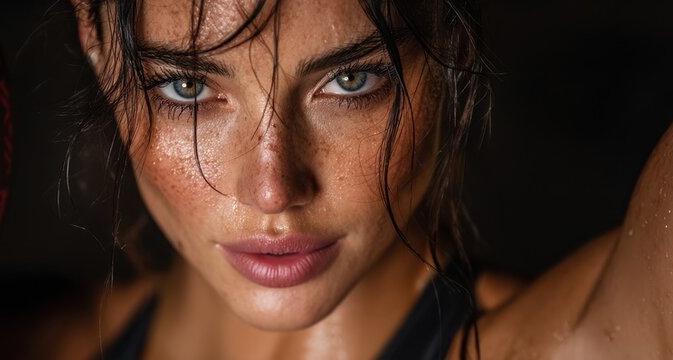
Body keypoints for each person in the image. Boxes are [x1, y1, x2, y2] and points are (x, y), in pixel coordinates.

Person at [61, 0, 673, 358]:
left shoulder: (583, 340)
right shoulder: (22, 339)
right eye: (188, 87)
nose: (273, 189)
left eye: (351, 82)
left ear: (453, 36)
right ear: (92, 33)